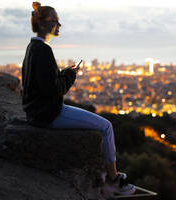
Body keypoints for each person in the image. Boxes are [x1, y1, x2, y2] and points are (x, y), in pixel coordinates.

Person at [22, 1, 135, 195]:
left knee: (103, 125)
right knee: (106, 126)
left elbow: (45, 82)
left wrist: (65, 72)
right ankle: (113, 180)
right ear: (43, 24)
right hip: (48, 113)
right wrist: (71, 75)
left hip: (36, 111)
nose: (59, 25)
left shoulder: (33, 48)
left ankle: (110, 177)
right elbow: (54, 89)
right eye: (56, 21)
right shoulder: (43, 51)